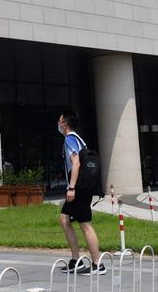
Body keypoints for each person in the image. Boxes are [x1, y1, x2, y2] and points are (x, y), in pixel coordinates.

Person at [56, 109, 104, 276]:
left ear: (65, 124)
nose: (58, 124)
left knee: (85, 225)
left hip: (78, 189)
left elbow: (75, 163)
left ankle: (98, 264)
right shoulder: (78, 138)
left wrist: (71, 188)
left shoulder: (69, 139)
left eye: (60, 121)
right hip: (81, 187)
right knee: (64, 219)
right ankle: (76, 261)